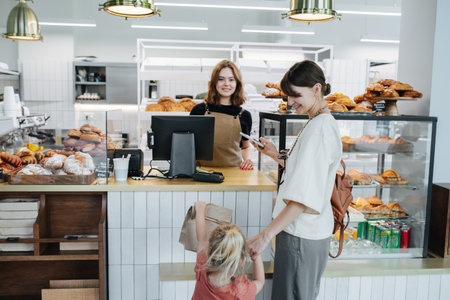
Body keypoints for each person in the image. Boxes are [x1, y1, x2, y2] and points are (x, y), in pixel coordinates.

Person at [247, 60, 342, 300]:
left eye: (296, 95)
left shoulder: (319, 129)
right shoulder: (318, 121)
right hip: (304, 234)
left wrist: (264, 237)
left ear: (317, 89)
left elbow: (301, 200)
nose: (290, 102)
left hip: (301, 235)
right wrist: (273, 155)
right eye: (289, 96)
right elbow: (306, 172)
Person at [192, 201, 264, 300]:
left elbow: (202, 239)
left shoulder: (202, 269)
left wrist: (200, 211)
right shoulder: (241, 292)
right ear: (242, 261)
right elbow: (259, 281)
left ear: (209, 252)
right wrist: (257, 257)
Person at [190, 60, 254, 170]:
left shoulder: (244, 115)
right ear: (214, 83)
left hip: (234, 174)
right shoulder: (199, 110)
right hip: (201, 172)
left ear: (237, 83)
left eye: (231, 80)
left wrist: (248, 160)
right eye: (221, 79)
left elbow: (245, 147)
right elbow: (188, 143)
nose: (226, 84)